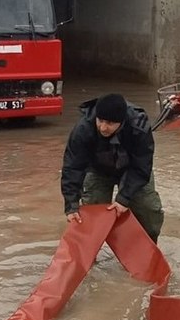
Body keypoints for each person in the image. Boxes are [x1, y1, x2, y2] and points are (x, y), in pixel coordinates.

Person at [61, 93, 164, 242]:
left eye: (109, 123)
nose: (103, 127)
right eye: (100, 120)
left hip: (132, 171)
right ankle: (90, 254)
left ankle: (149, 245)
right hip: (98, 170)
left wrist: (123, 198)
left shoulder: (138, 126)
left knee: (148, 209)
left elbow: (142, 165)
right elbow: (72, 167)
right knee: (90, 214)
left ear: (121, 122)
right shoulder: (83, 129)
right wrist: (71, 205)